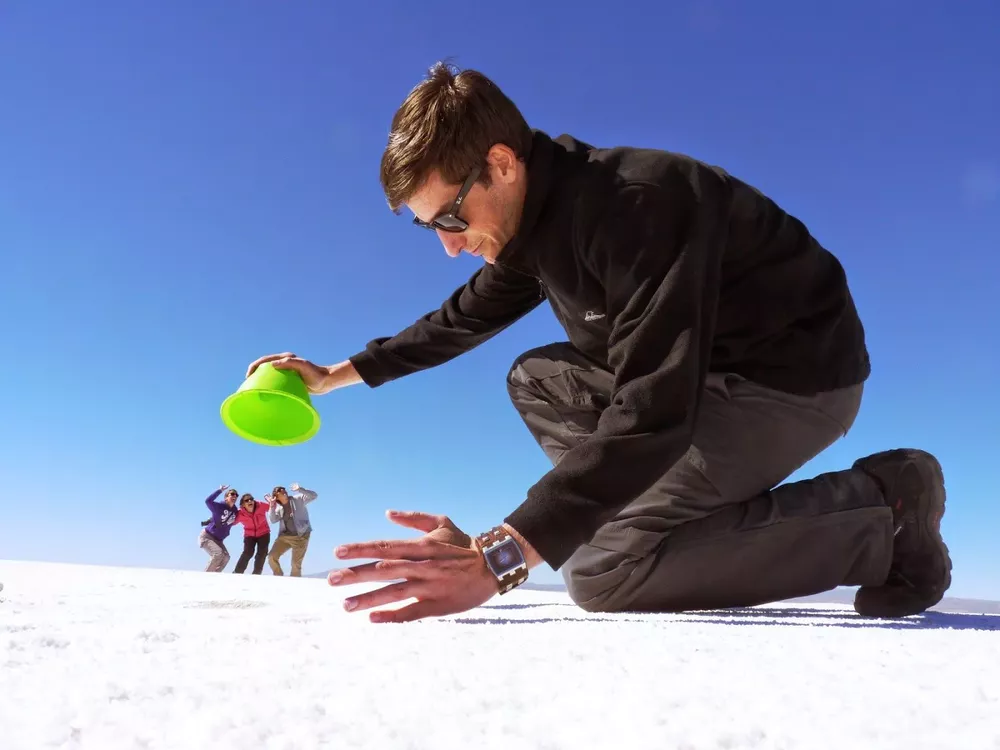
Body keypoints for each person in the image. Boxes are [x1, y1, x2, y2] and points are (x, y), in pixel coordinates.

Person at [245, 62, 951, 624]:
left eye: (451, 218)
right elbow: (459, 318)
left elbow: (655, 408)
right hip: (700, 382)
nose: (450, 247)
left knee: (603, 572)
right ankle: (624, 520)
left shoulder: (638, 207)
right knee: (537, 377)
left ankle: (884, 512)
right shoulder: (529, 229)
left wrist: (503, 553)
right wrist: (331, 375)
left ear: (501, 162)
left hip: (791, 384)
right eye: (430, 226)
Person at [266, 483, 318, 577]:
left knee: (295, 564)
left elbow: (314, 496)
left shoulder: (298, 499)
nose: (283, 490)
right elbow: (273, 520)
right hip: (284, 537)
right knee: (271, 557)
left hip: (301, 537)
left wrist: (300, 489)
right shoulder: (279, 508)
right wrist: (271, 506)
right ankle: (278, 577)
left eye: (284, 489)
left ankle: (295, 585)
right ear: (276, 496)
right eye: (279, 490)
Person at [200, 485, 239, 573]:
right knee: (218, 554)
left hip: (218, 540)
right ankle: (205, 577)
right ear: (226, 497)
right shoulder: (219, 506)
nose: (234, 496)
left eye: (236, 495)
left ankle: (215, 576)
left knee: (226, 557)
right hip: (207, 536)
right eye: (232, 494)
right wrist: (219, 490)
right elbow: (208, 501)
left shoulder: (235, 511)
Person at [232, 492, 272, 575]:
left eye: (251, 499)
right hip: (249, 535)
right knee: (248, 552)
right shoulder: (240, 514)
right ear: (243, 504)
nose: (250, 501)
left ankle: (256, 574)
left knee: (262, 554)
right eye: (247, 500)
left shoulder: (261, 505)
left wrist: (271, 502)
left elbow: (272, 508)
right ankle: (237, 572)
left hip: (264, 533)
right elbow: (231, 522)